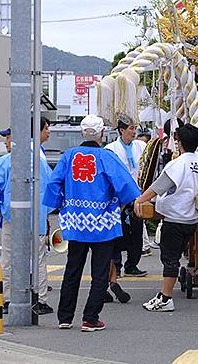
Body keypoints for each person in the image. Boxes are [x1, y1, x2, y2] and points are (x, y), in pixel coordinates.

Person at [44, 114, 141, 331]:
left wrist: (61, 204)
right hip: (103, 223)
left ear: (82, 133)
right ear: (102, 134)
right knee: (99, 272)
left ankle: (65, 317)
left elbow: (53, 184)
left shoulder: (69, 156)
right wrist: (121, 205)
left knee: (72, 269)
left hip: (76, 222)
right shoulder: (106, 157)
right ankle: (90, 318)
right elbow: (126, 186)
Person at [135, 124, 198, 312]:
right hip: (190, 220)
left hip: (174, 219)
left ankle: (166, 297)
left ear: (179, 143)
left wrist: (139, 200)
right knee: (173, 257)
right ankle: (164, 294)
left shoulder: (177, 164)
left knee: (170, 259)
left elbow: (158, 187)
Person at [0, 117, 54, 315]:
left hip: (13, 217)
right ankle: (40, 300)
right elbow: (51, 189)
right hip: (37, 218)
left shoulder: (7, 160)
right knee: (38, 259)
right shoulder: (39, 160)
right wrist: (46, 213)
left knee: (9, 258)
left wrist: (0, 211)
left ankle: (8, 299)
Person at [105, 115, 149, 276]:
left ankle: (132, 264)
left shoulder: (141, 146)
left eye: (135, 128)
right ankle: (116, 265)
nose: (134, 131)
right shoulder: (110, 149)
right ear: (121, 130)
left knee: (137, 232)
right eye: (131, 128)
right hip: (118, 198)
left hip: (138, 195)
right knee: (118, 232)